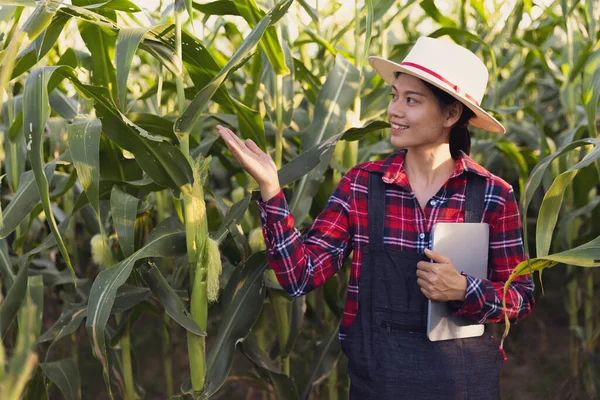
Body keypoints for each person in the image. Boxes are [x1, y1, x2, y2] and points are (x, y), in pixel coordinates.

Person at [216, 36, 535, 399]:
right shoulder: (361, 186)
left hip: (462, 386)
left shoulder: (493, 194)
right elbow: (298, 276)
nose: (394, 111)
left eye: (411, 100)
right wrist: (272, 190)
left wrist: (464, 290)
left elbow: (520, 299)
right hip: (379, 384)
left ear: (451, 114)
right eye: (394, 96)